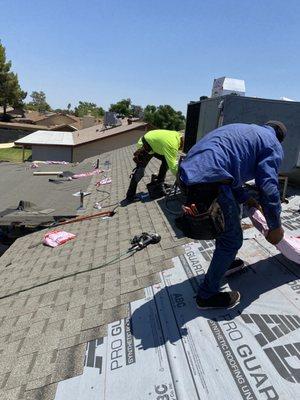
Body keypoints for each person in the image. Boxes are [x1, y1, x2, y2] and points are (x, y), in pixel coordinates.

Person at [179, 121, 287, 309]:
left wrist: (246, 199)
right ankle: (206, 296)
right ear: (280, 138)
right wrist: (275, 226)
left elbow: (231, 167)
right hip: (212, 179)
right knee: (232, 239)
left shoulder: (248, 131)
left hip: (189, 173)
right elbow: (269, 187)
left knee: (224, 226)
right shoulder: (273, 143)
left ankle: (224, 263)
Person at [125, 129, 183, 202]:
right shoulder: (172, 145)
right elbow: (173, 167)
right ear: (180, 144)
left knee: (166, 160)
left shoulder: (177, 134)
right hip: (145, 146)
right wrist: (181, 179)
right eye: (179, 148)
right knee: (140, 172)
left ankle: (159, 183)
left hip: (153, 145)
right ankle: (130, 196)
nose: (179, 150)